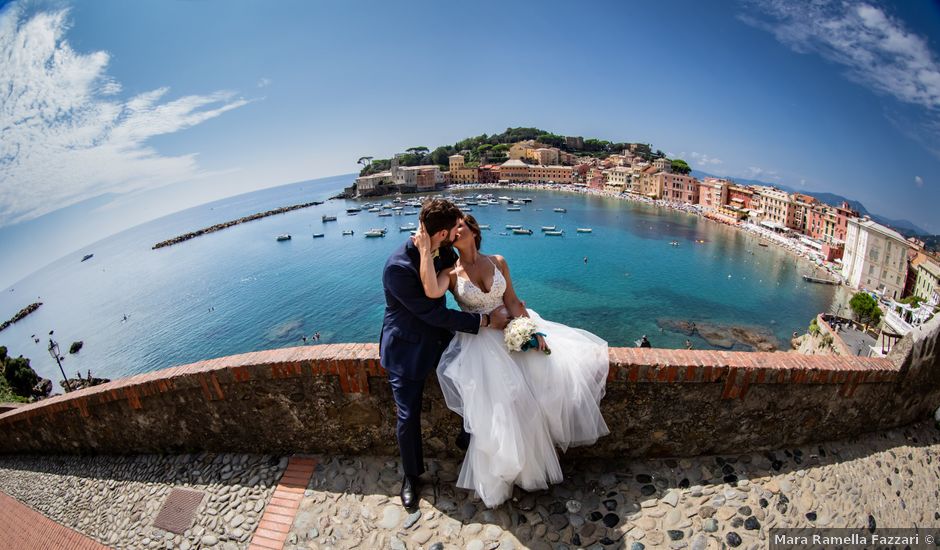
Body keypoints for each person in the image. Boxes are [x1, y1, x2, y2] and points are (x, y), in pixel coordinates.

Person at [414, 214, 609, 508]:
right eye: (452, 228)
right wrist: (425, 251)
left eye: (460, 225)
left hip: (510, 335)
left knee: (528, 403)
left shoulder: (498, 261)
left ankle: (528, 471)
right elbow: (430, 290)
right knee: (497, 412)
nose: (455, 230)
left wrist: (531, 331)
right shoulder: (451, 274)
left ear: (473, 230)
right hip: (479, 346)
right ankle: (501, 474)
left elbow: (514, 302)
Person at [380, 200, 510, 510]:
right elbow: (430, 312)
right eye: (454, 228)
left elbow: (459, 277)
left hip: (442, 340)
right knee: (408, 416)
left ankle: (468, 433)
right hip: (407, 348)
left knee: (480, 378)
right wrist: (483, 320)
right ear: (441, 232)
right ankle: (411, 475)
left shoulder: (446, 252)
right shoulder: (398, 267)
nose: (458, 232)